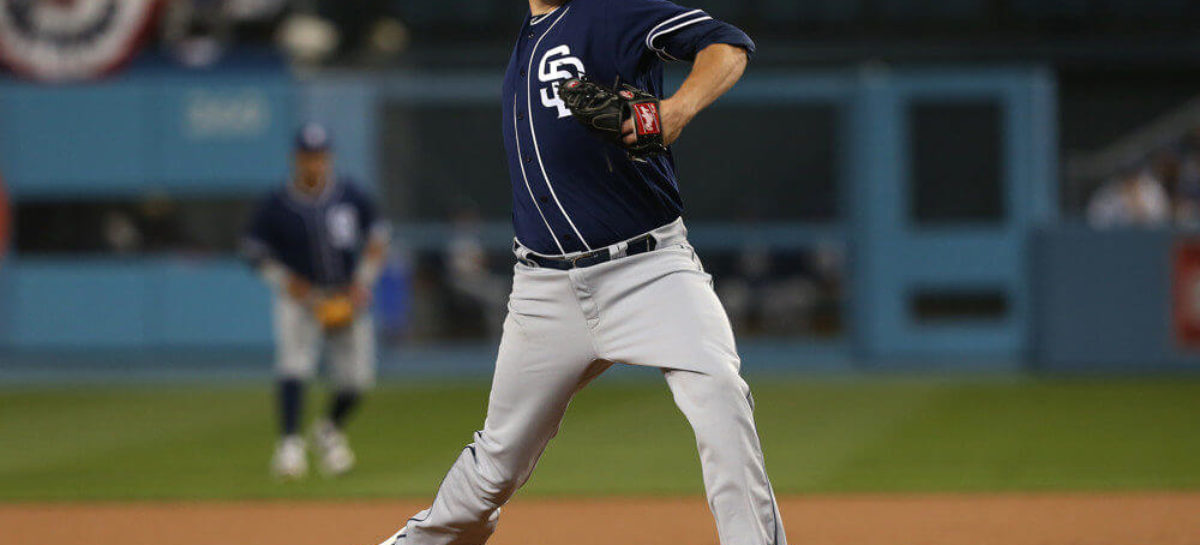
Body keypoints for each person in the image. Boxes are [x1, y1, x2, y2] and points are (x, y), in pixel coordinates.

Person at [372, 0, 786, 543]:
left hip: (648, 271)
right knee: (496, 461)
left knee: (721, 398)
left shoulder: (613, 12)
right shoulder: (528, 39)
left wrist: (675, 110)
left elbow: (728, 46)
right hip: (544, 291)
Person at [242, 123, 390, 479]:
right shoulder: (277, 203)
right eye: (308, 156)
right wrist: (283, 280)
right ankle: (289, 447)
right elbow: (252, 250)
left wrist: (362, 282)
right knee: (294, 367)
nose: (314, 163)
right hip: (302, 299)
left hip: (344, 295)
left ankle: (328, 430)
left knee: (357, 379)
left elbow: (379, 235)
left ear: (329, 158)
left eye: (320, 156)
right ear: (297, 159)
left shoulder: (349, 194)